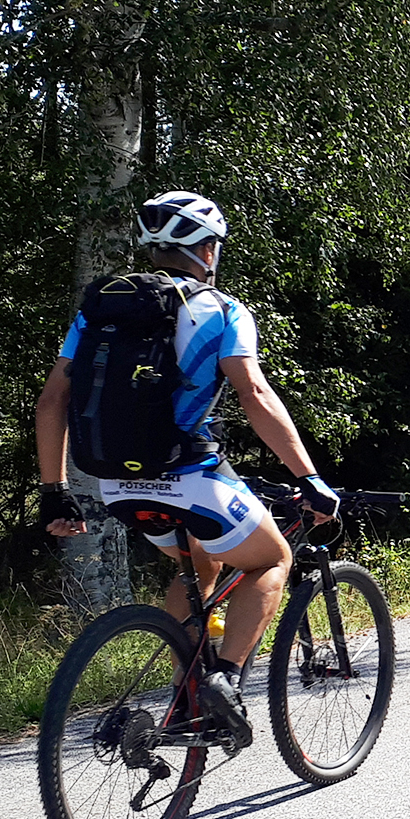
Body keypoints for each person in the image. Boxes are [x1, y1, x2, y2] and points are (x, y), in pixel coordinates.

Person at [34, 190, 340, 748]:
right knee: (273, 556)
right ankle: (224, 679)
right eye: (214, 245)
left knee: (196, 566)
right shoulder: (222, 310)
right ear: (205, 248)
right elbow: (254, 392)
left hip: (115, 483)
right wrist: (308, 477)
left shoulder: (99, 311)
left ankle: (184, 698)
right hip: (190, 475)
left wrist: (55, 491)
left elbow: (52, 400)